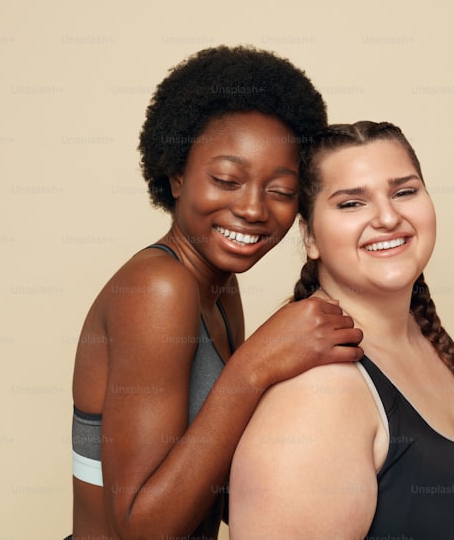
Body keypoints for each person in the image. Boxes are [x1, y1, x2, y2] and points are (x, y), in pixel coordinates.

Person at [68, 46, 364, 540]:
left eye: (281, 190)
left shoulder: (220, 286)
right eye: (227, 179)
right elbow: (141, 529)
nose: (252, 209)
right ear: (177, 174)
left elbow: (209, 477)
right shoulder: (158, 289)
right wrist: (257, 363)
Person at [229, 121, 454, 539]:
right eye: (352, 203)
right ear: (309, 236)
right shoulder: (320, 392)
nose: (388, 217)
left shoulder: (417, 334)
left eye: (404, 192)